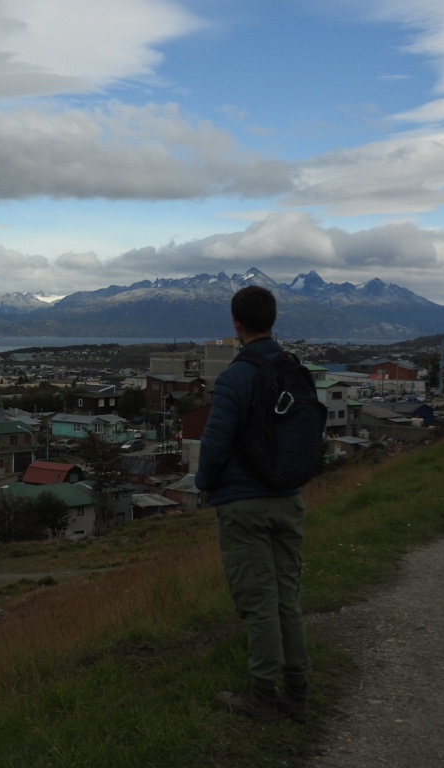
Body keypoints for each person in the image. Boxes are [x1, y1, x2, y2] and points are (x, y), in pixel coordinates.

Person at [195, 285, 310, 724]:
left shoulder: (236, 377)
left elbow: (215, 444)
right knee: (287, 599)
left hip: (244, 505)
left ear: (236, 324)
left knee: (258, 603)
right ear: (273, 320)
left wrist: (205, 485)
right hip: (288, 499)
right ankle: (297, 693)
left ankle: (262, 696)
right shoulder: (292, 368)